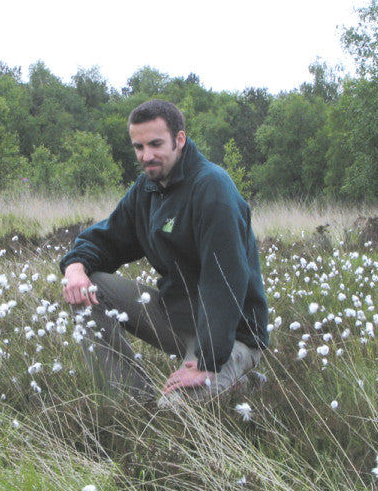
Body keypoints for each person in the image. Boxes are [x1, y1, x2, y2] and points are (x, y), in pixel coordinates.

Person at [59, 99, 269, 406]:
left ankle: (237, 373)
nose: (147, 156)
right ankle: (132, 405)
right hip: (178, 318)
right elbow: (107, 238)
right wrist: (75, 265)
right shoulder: (147, 190)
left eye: (156, 144)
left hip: (233, 332)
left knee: (175, 411)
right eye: (139, 147)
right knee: (88, 290)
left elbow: (225, 281)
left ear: (179, 139)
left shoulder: (213, 189)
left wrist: (207, 360)